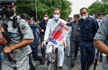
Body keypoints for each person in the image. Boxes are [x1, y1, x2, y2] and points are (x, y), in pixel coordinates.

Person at [1, 0, 34, 70]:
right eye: (5, 7)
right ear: (2, 7)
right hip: (7, 59)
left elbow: (30, 39)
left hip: (21, 58)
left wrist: (11, 48)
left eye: (11, 7)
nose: (8, 9)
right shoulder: (1, 21)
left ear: (15, 8)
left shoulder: (20, 22)